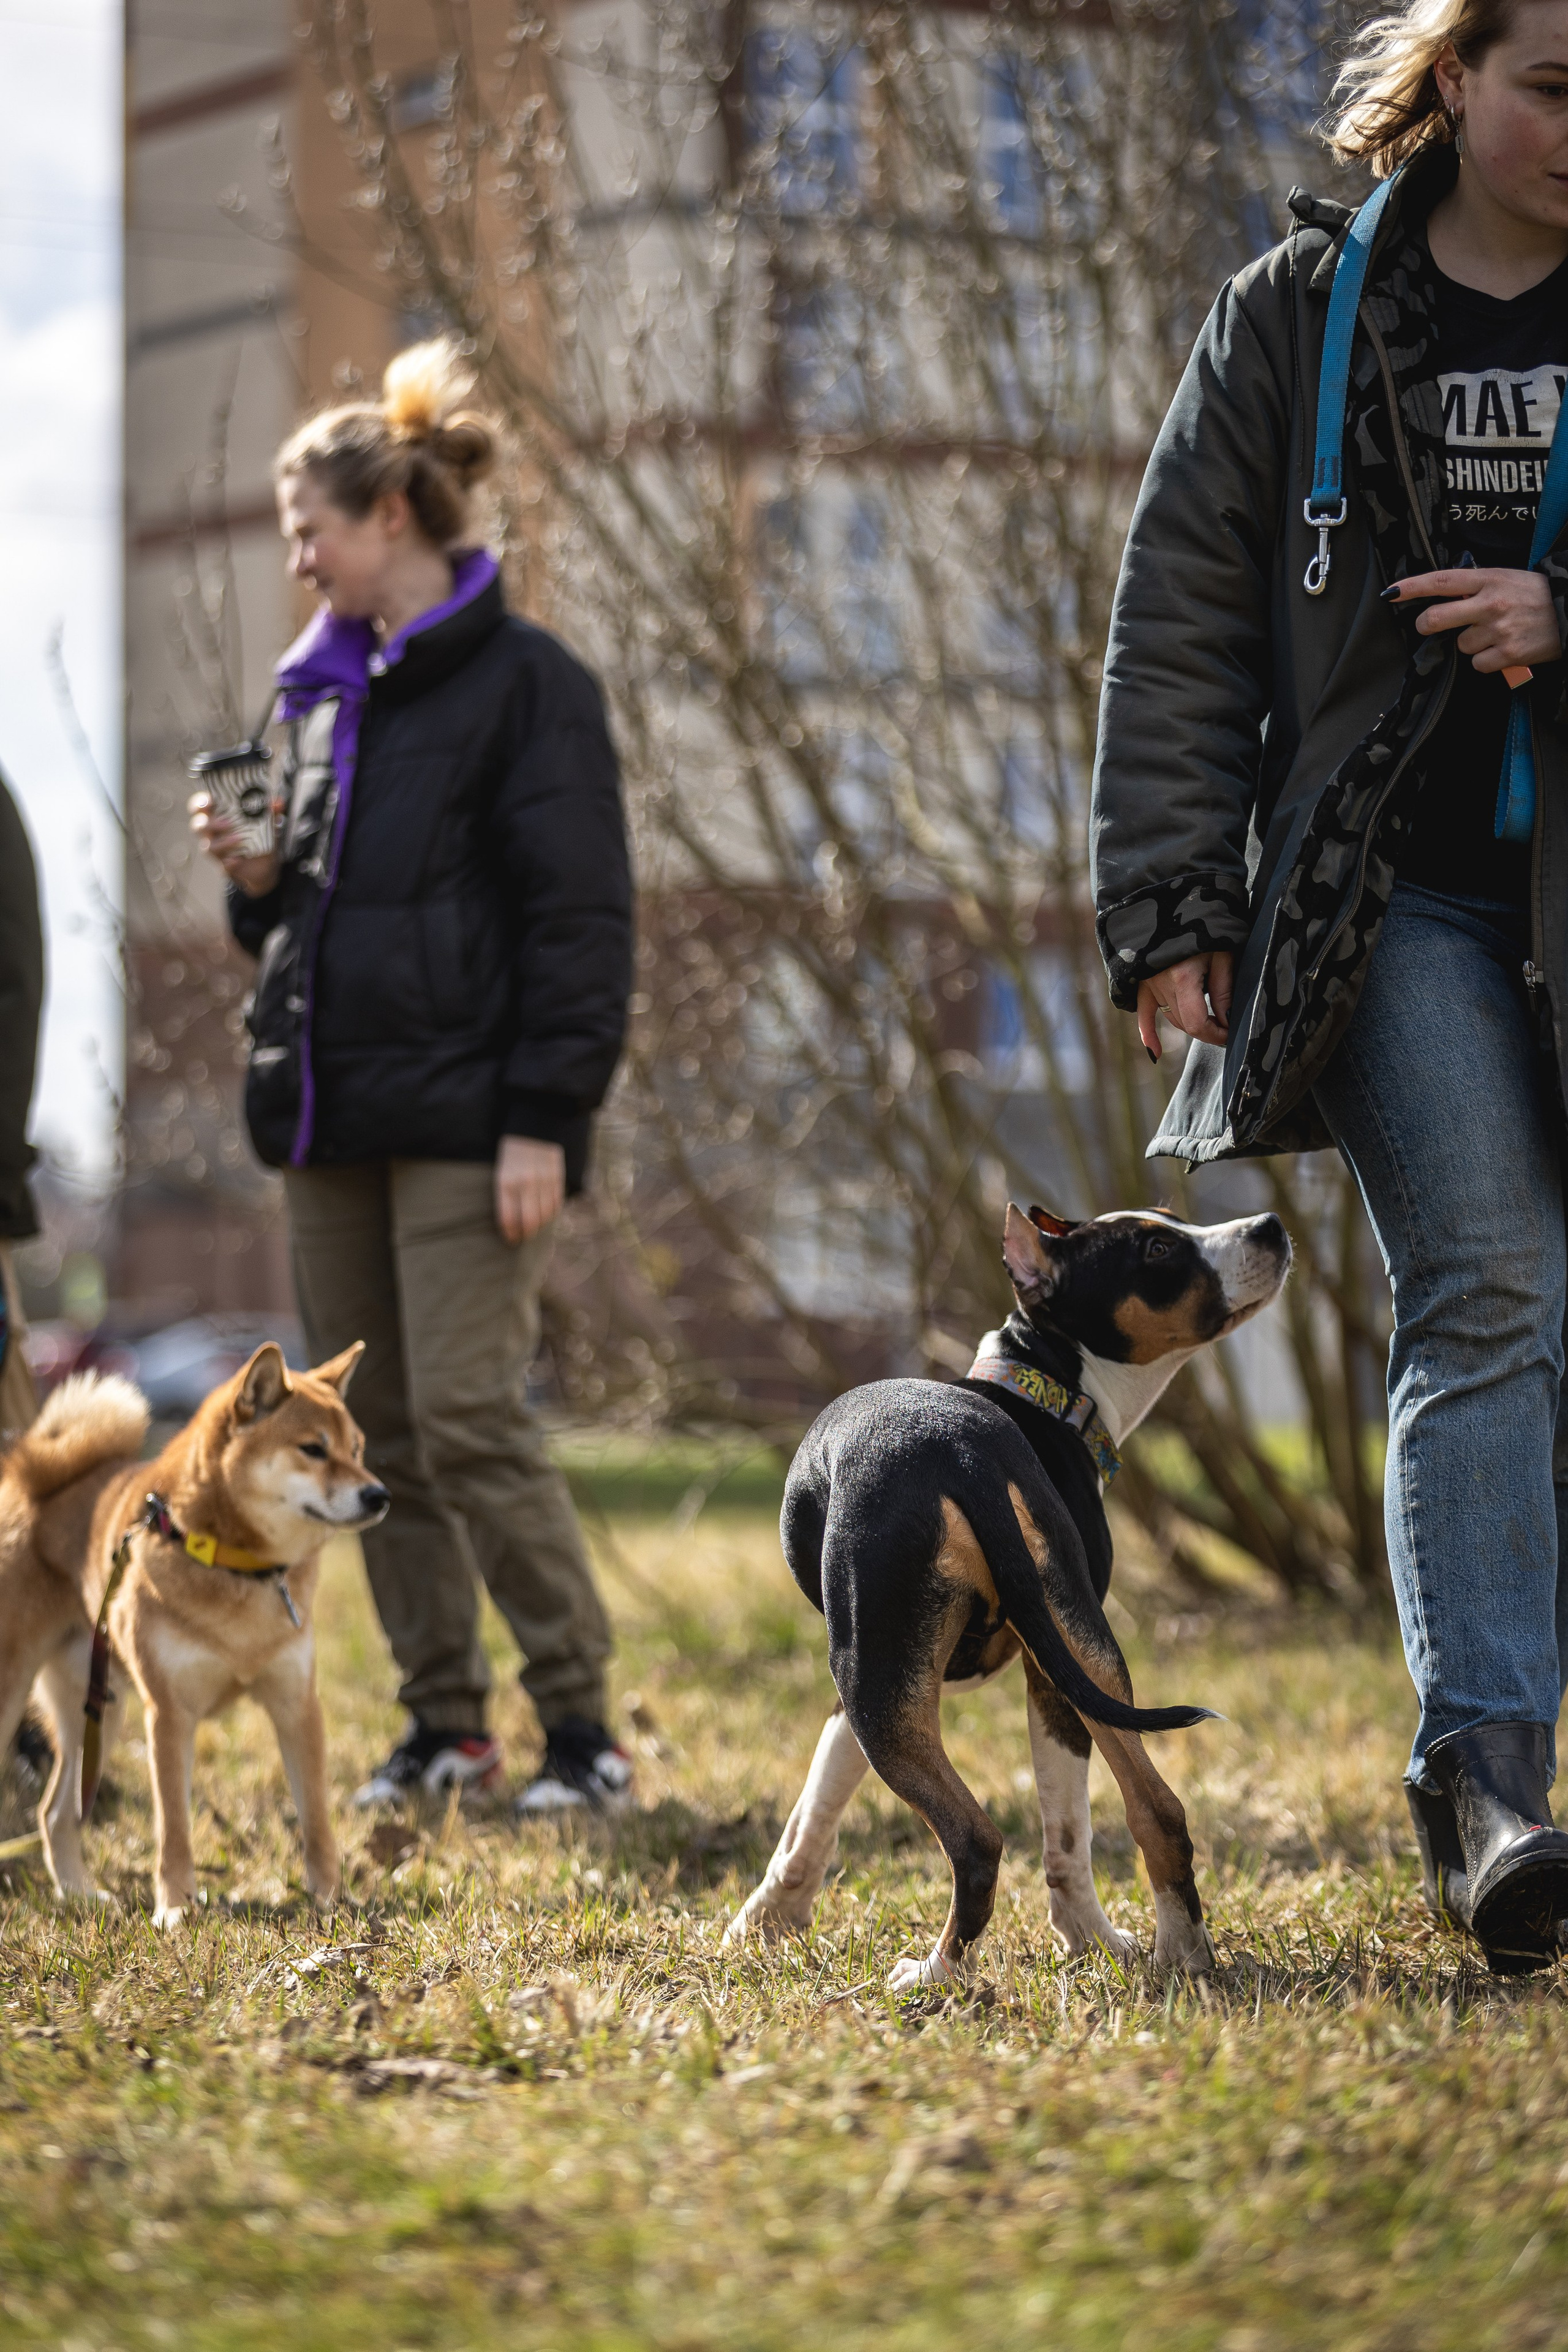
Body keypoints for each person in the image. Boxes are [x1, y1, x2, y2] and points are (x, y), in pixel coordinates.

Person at [1091, 0, 1568, 1970]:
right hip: (1392, 908)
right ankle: (1491, 1787)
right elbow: (1186, 612)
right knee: (1490, 1277)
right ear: (1455, 80)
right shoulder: (1296, 312)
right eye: (1553, 85)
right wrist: (1171, 898)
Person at [191, 341, 635, 1815]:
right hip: (331, 1124)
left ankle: (583, 1733)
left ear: (391, 516)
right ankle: (443, 1726)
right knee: (358, 1447)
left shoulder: (529, 687)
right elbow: (300, 922)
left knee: (466, 1417)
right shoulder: (319, 703)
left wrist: (542, 1121)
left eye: (311, 530)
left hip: (472, 1128)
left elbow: (581, 923)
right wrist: (257, 878)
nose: (300, 560)